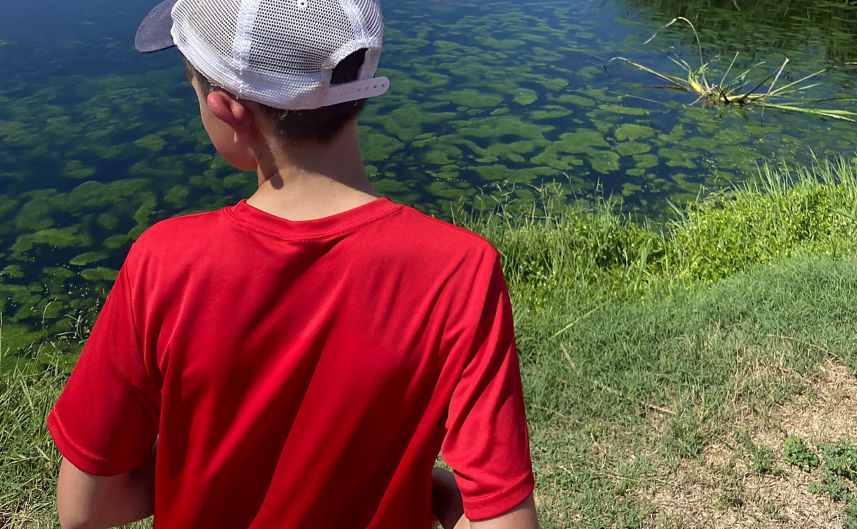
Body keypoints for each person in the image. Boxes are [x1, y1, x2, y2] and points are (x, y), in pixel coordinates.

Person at [45, 0, 539, 528]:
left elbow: (85, 509)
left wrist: (199, 463)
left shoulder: (163, 262)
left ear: (228, 110)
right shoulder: (459, 270)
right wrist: (435, 490)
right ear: (360, 76)